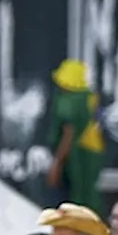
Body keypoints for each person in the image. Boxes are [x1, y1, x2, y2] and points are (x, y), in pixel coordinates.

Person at [45, 59, 104, 211]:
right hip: (92, 150)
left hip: (77, 154)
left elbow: (69, 134)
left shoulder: (72, 101)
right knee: (87, 197)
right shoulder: (88, 97)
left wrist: (56, 163)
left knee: (75, 200)